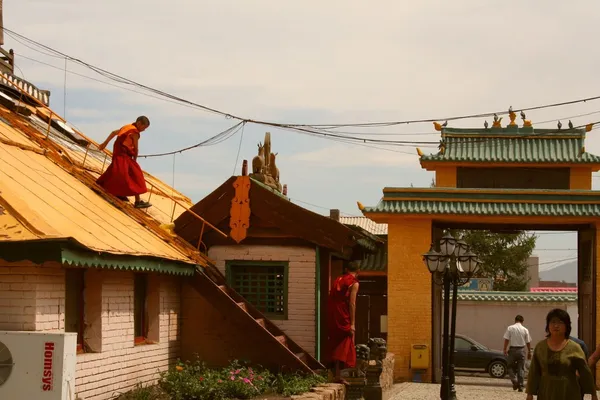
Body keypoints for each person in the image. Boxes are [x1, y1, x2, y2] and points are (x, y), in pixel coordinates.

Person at [526, 309, 597, 400]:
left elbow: (585, 372)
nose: (556, 325)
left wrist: (593, 394)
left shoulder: (575, 347)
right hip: (546, 392)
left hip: (568, 391)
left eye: (560, 322)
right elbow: (534, 372)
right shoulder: (540, 347)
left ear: (567, 326)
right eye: (553, 322)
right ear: (548, 325)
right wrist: (530, 393)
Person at [96, 116, 152, 209]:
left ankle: (119, 192)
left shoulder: (127, 127)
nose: (144, 130)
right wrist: (134, 160)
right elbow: (136, 148)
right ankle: (137, 202)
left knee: (116, 173)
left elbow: (114, 132)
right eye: (144, 127)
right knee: (134, 175)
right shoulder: (134, 132)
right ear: (139, 123)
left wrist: (105, 143)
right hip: (124, 156)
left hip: (118, 154)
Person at [327, 261, 360, 384]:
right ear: (358, 271)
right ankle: (338, 375)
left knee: (335, 340)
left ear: (346, 270)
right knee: (346, 340)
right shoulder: (354, 283)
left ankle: (334, 373)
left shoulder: (339, 279)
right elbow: (352, 303)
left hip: (332, 312)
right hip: (343, 314)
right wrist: (352, 323)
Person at [503, 314, 531, 392]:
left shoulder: (510, 328)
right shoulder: (525, 329)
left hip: (512, 350)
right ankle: (521, 386)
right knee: (521, 368)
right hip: (521, 350)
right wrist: (529, 351)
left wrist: (505, 349)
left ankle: (514, 381)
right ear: (522, 321)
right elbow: (528, 342)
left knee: (510, 366)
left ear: (515, 320)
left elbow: (506, 339)